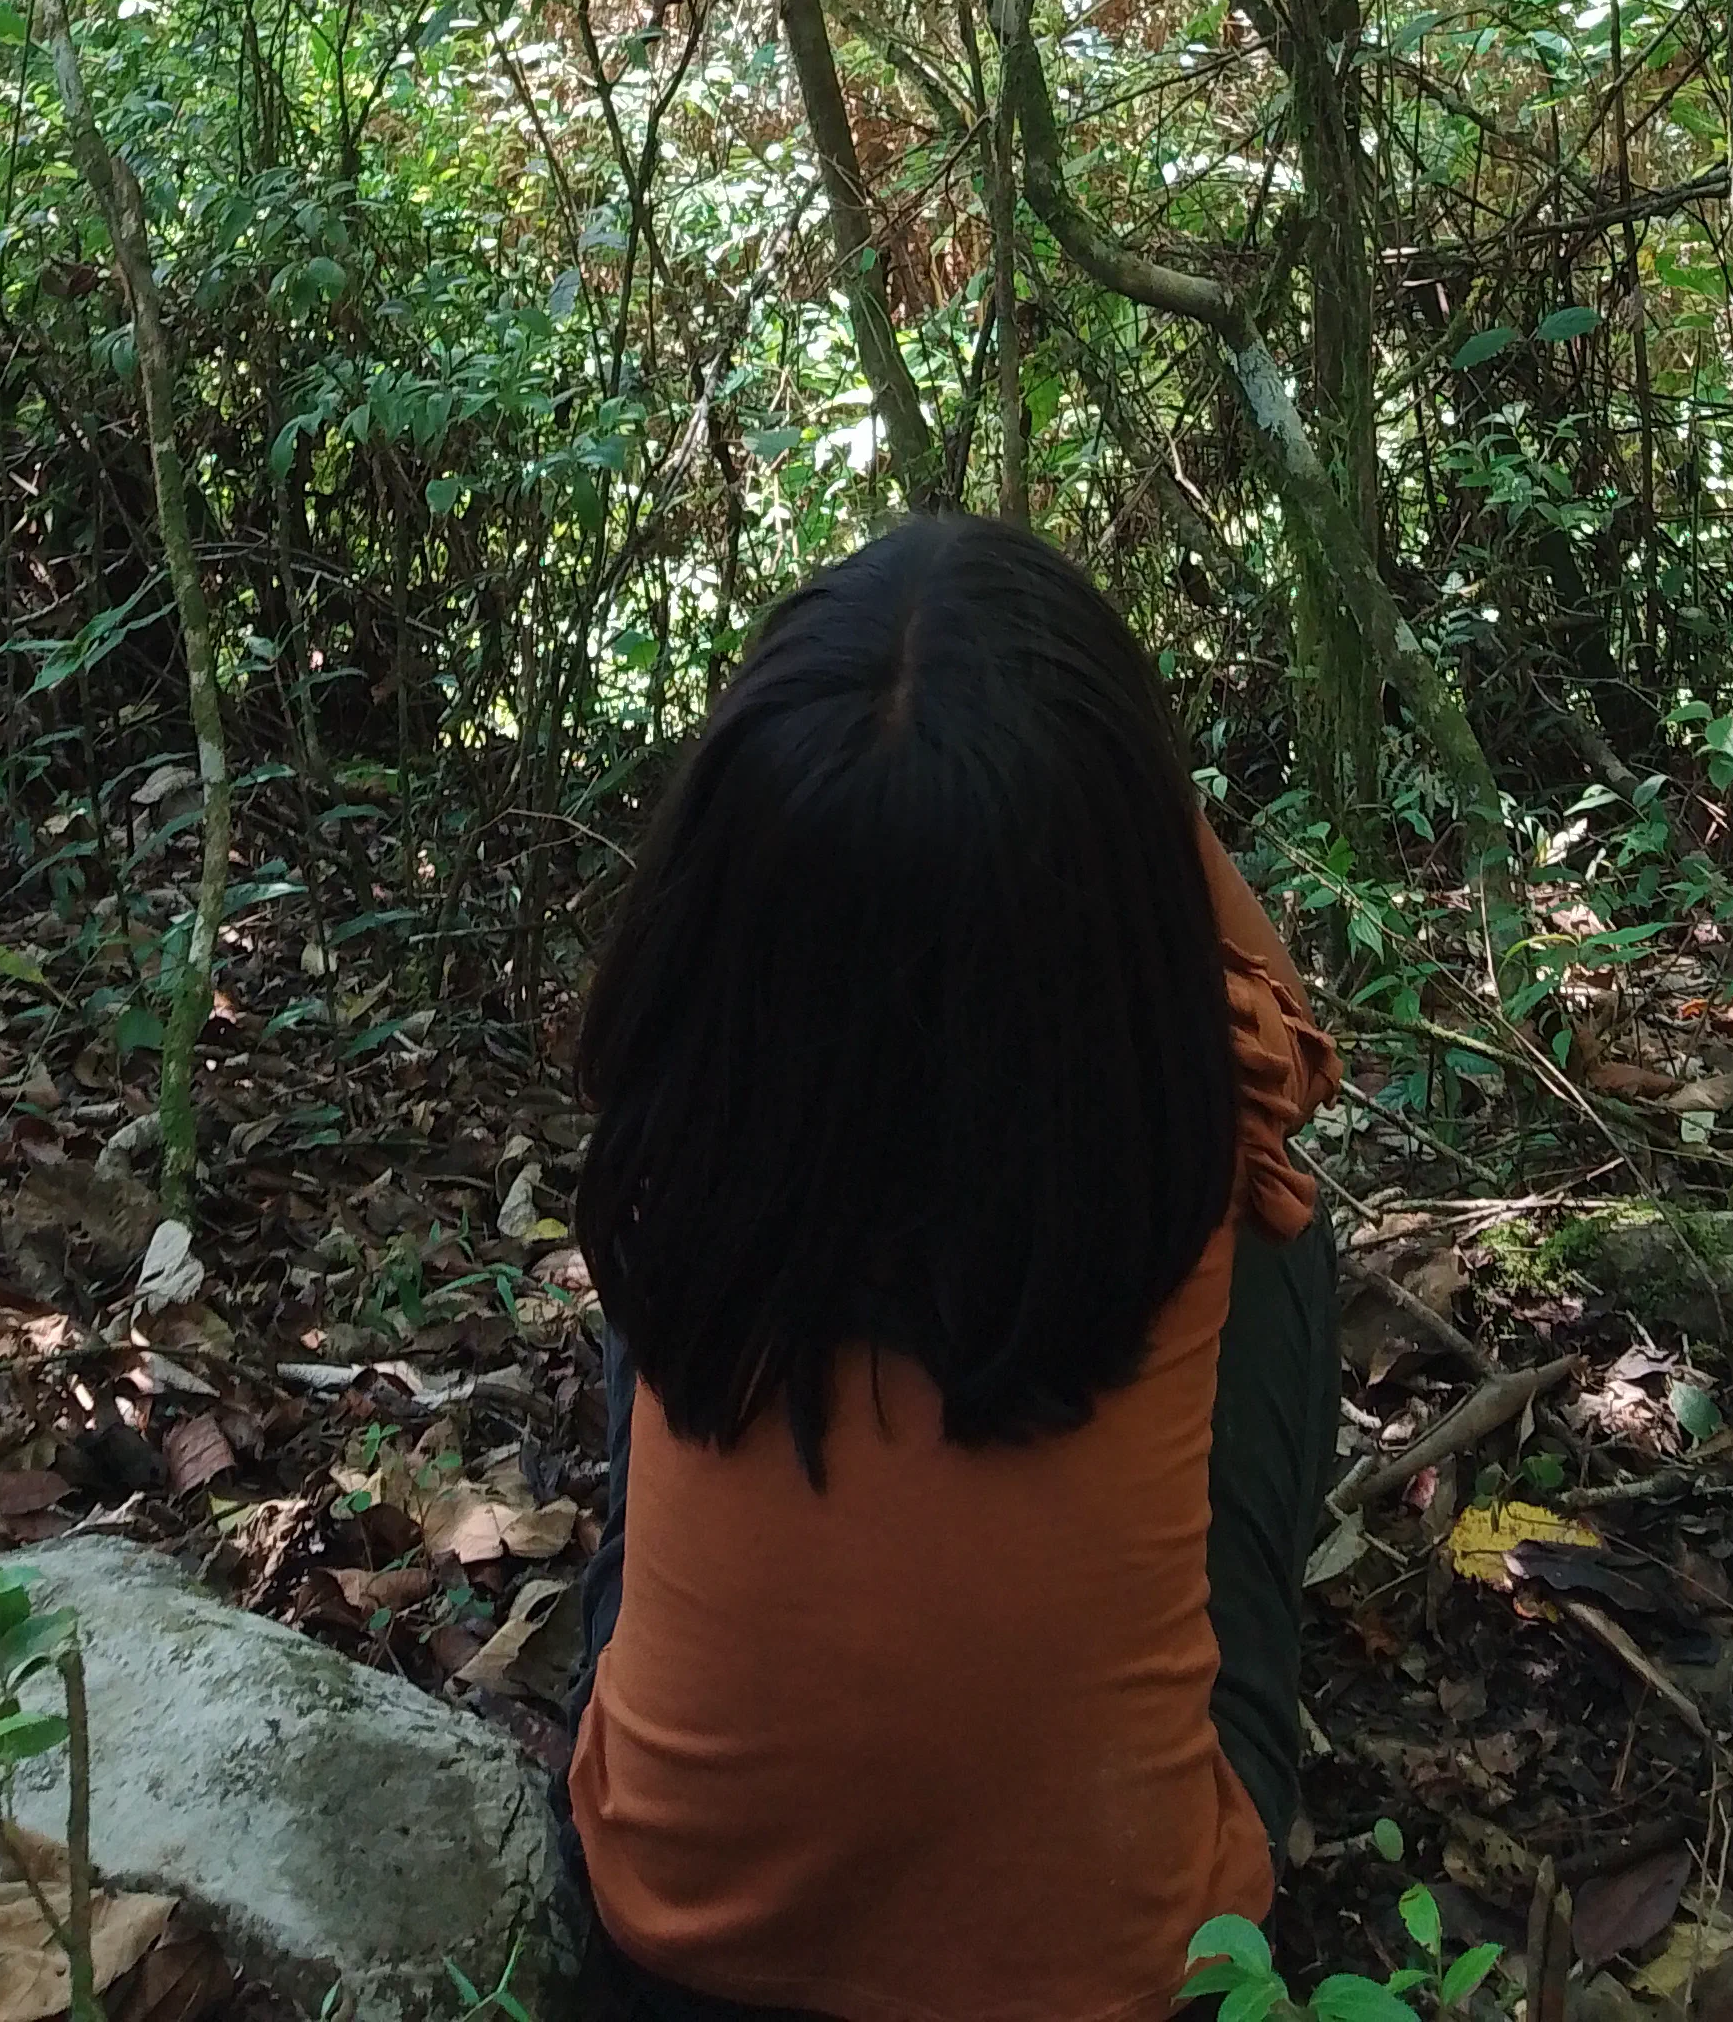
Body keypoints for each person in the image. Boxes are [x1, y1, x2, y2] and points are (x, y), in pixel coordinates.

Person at [562, 512, 1344, 2022]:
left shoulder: (683, 1129)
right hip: (1125, 1983)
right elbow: (1273, 1010)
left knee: (685, 1225)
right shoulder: (1191, 1160)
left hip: (669, 1956)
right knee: (1289, 1224)